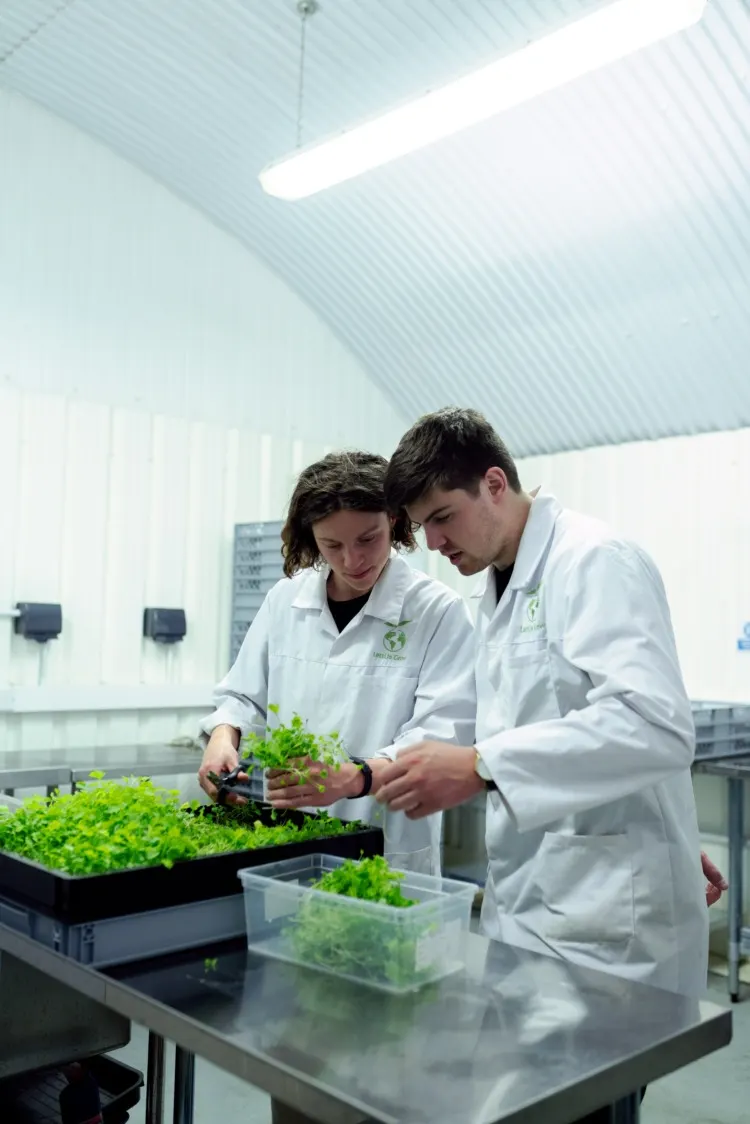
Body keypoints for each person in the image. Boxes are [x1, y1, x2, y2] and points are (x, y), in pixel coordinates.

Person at [376, 406, 710, 1002]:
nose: (432, 543)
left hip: (609, 922)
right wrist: (366, 772)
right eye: (422, 526)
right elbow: (516, 718)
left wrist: (482, 765)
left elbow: (655, 725)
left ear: (495, 485)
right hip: (527, 903)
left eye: (442, 517)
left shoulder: (594, 561)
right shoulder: (497, 589)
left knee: (596, 1094)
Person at [197, 449, 476, 874]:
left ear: (395, 522)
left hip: (386, 843)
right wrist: (223, 735)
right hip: (284, 834)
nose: (352, 560)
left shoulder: (437, 610)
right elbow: (243, 695)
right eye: (332, 545)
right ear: (312, 538)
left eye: (368, 539)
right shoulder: (285, 600)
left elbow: (442, 733)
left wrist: (359, 776)